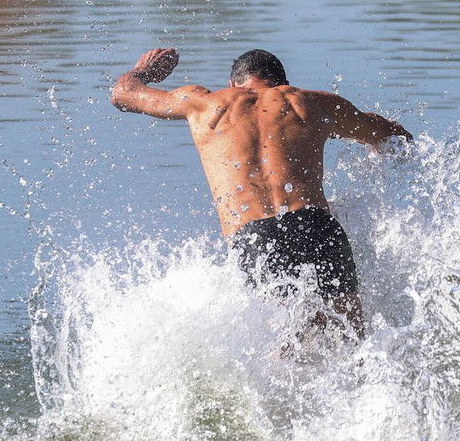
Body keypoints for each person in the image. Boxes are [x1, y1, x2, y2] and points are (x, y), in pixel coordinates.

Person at [111, 47, 411, 336]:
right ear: (284, 84)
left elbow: (123, 94)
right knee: (351, 340)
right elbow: (394, 136)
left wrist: (143, 71)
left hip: (255, 237)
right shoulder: (311, 103)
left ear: (233, 84)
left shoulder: (204, 103)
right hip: (317, 227)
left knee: (286, 350)